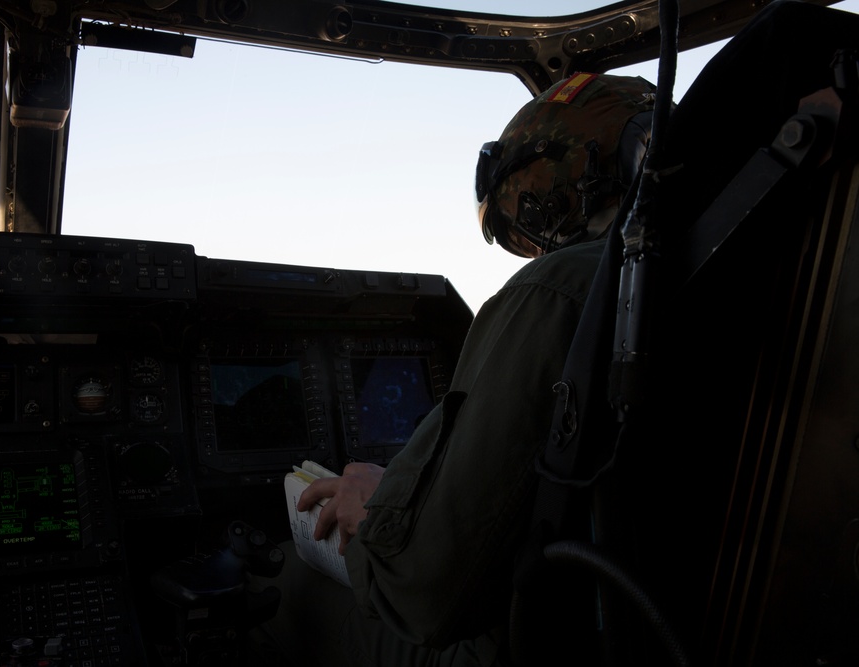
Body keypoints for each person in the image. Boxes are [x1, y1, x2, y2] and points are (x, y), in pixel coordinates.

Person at [254, 70, 657, 667]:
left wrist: (373, 506)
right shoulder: (694, 270)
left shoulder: (563, 290)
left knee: (286, 581)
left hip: (541, 642)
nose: (538, 250)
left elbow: (422, 596)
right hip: (642, 618)